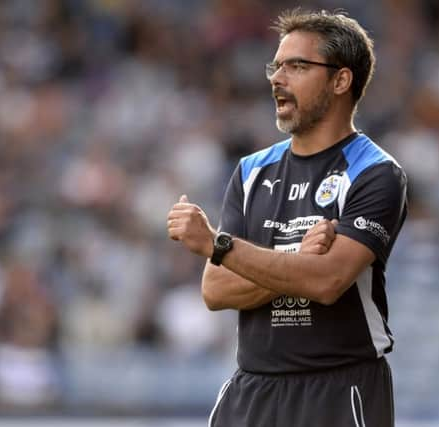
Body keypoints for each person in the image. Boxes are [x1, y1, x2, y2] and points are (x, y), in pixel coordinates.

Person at [167, 9, 407, 427]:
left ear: (340, 80)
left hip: (339, 390)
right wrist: (298, 254)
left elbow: (327, 282)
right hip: (253, 389)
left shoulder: (376, 173)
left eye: (297, 66)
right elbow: (216, 289)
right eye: (276, 66)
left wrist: (221, 247)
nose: (277, 78)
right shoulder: (251, 170)